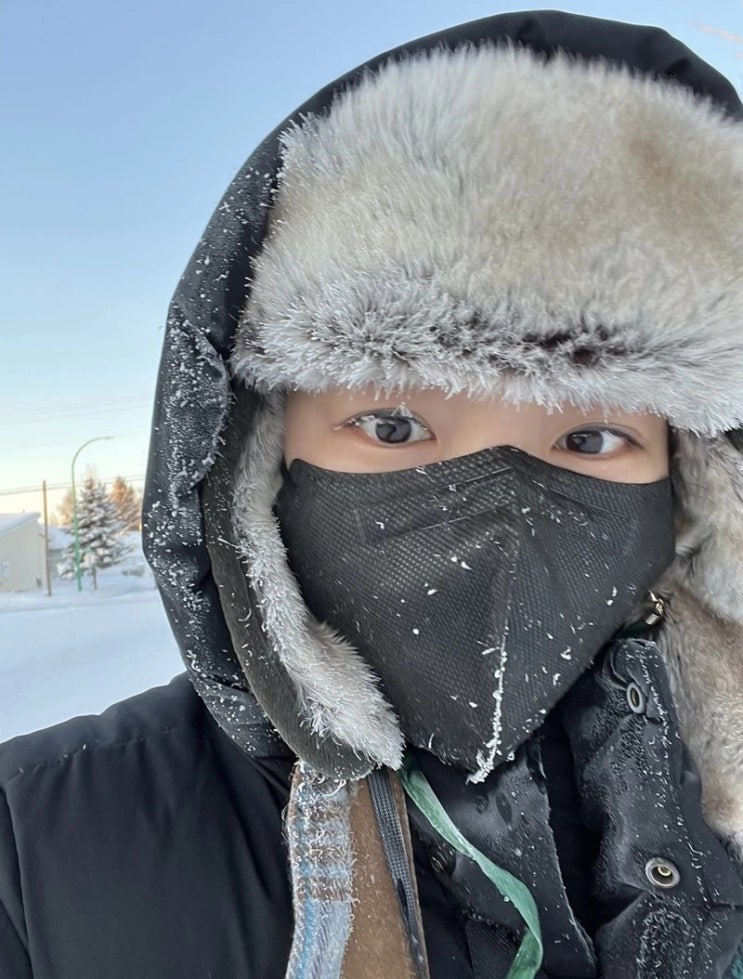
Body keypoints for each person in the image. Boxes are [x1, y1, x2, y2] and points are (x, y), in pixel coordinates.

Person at [2, 9, 743, 978]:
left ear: (691, 487)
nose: (502, 524)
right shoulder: (41, 852)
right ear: (257, 461)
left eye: (591, 435)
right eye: (393, 424)